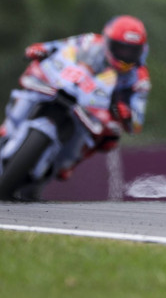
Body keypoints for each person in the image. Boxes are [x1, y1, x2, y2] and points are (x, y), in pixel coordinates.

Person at [0, 15, 151, 180]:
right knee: (29, 90)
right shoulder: (89, 41)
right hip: (66, 85)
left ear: (141, 50)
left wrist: (127, 113)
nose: (125, 54)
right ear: (108, 41)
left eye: (131, 50)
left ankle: (68, 162)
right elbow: (59, 46)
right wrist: (41, 49)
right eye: (121, 48)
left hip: (97, 108)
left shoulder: (140, 78)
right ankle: (8, 128)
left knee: (109, 139)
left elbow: (137, 122)